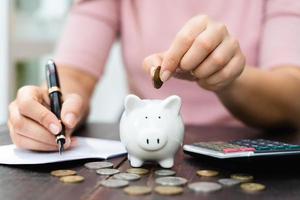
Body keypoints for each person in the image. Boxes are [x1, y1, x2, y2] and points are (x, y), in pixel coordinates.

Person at [7, 0, 300, 151]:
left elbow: (293, 95)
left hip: (257, 148)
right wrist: (52, 107)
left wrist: (230, 78)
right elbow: (74, 75)